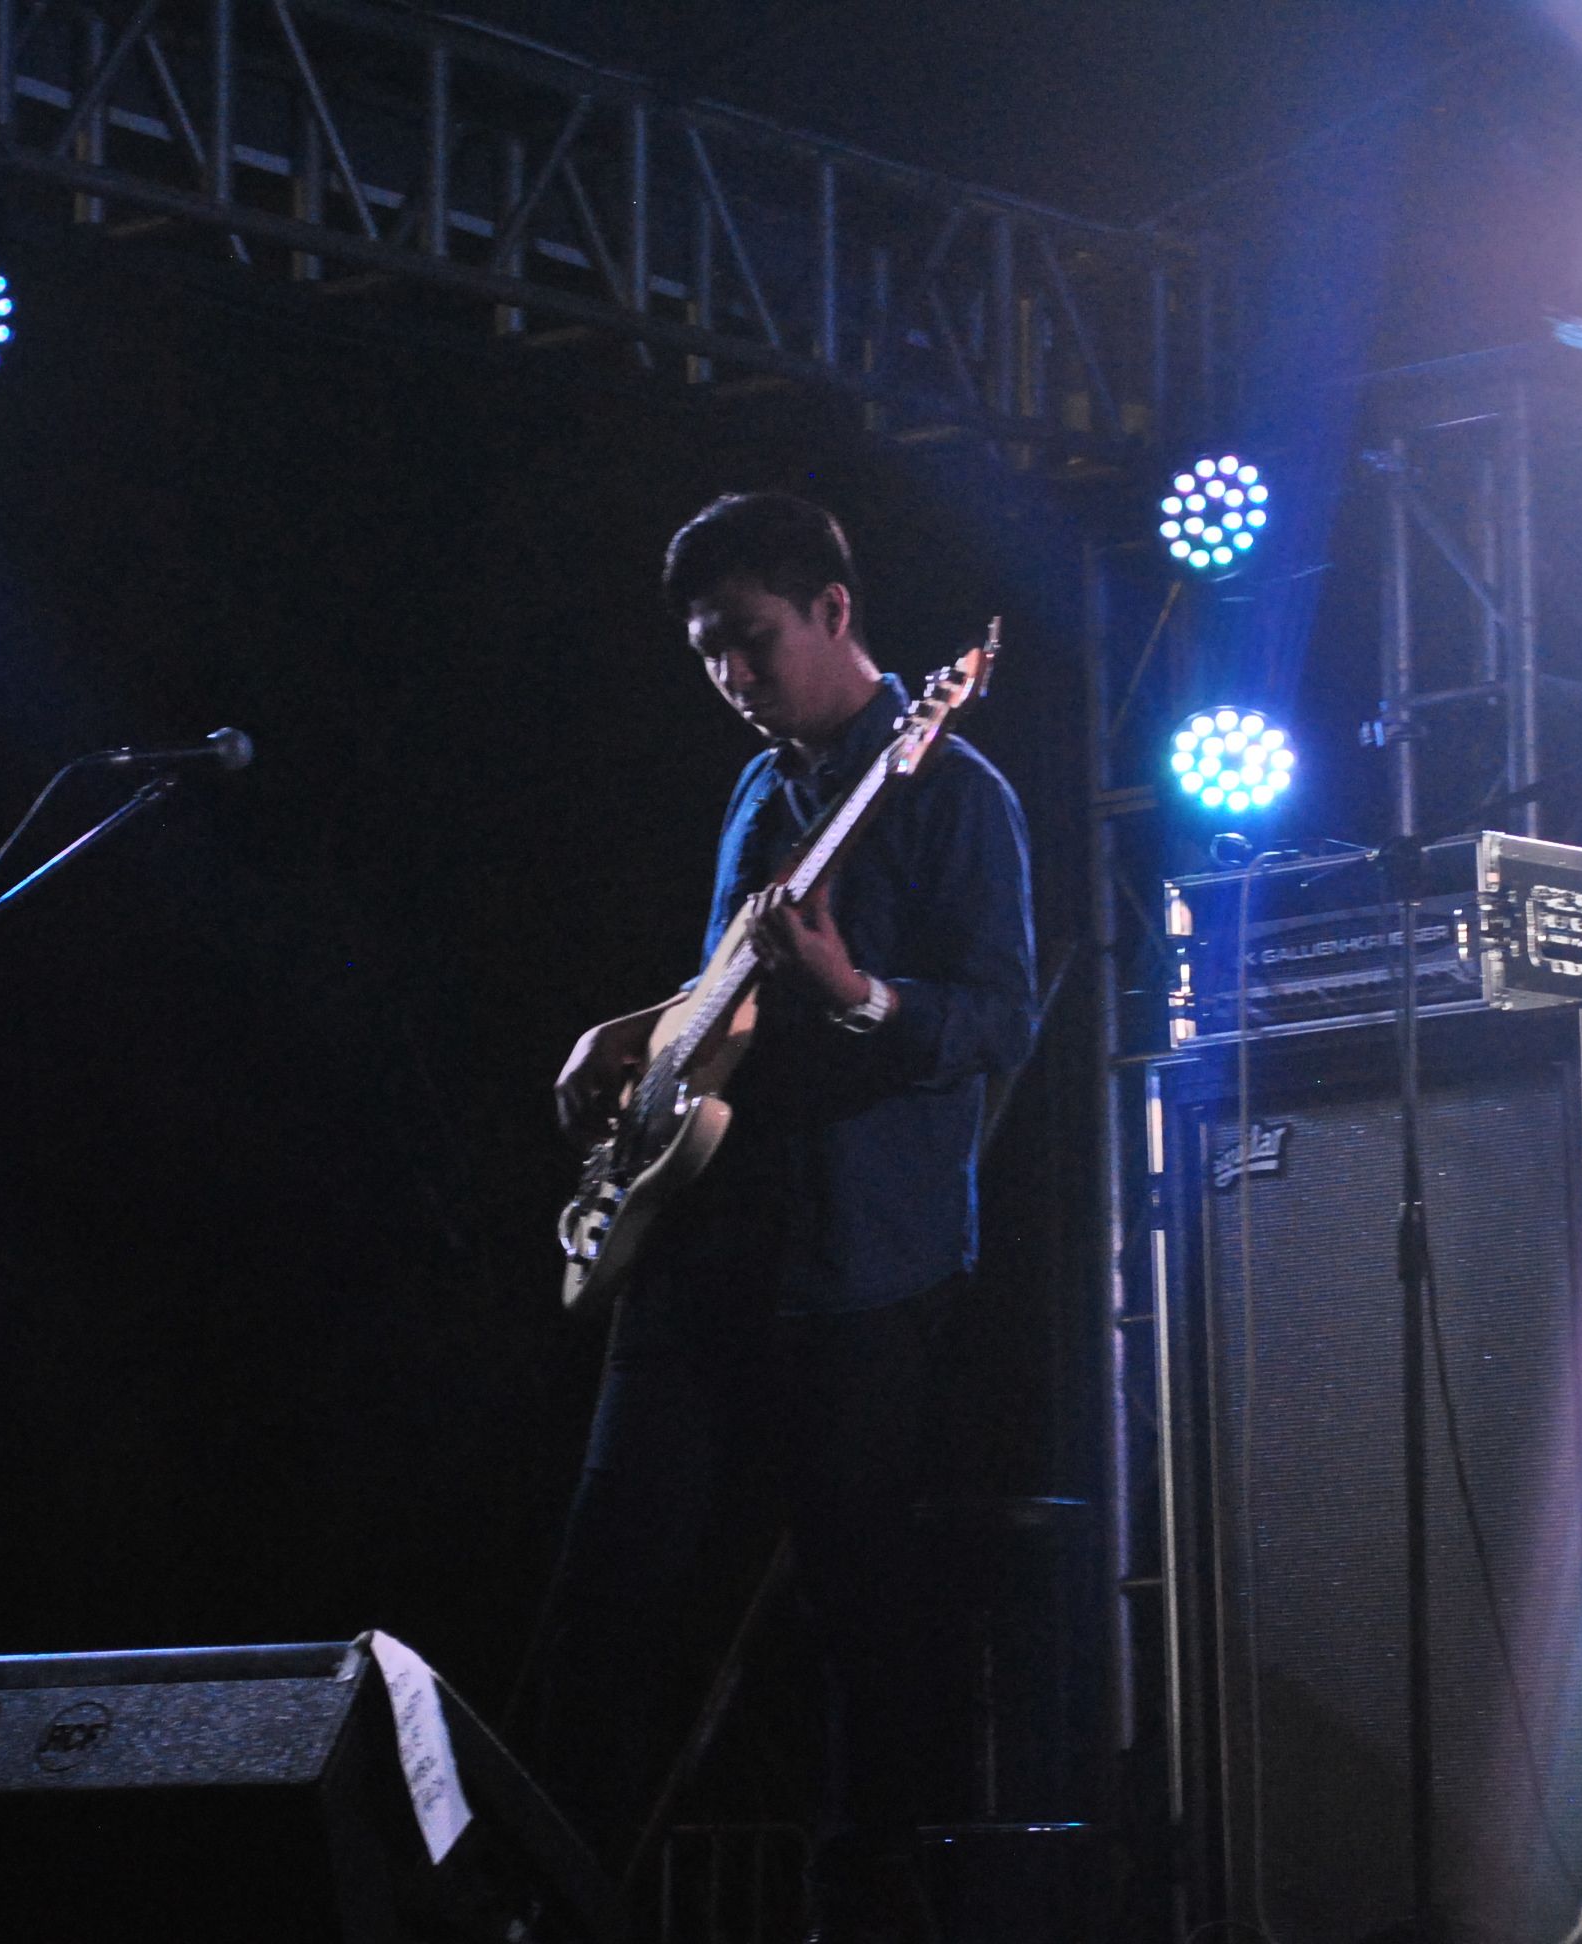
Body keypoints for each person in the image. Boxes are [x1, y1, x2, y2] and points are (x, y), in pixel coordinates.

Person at [527, 493, 1036, 1944]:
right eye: (706, 653)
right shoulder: (760, 790)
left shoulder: (954, 790)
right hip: (705, 1242)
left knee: (861, 1617)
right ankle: (541, 1903)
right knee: (606, 1591)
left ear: (833, 610)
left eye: (749, 639)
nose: (730, 676)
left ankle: (863, 1917)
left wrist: (861, 994)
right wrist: (632, 1035)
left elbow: (999, 1017)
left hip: (863, 1266)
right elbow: (727, 993)